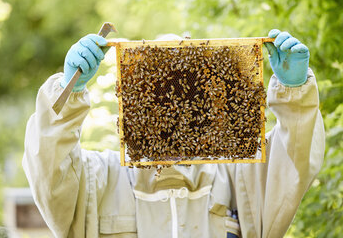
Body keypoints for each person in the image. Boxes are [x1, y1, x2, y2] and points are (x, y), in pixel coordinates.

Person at [23, 29, 325, 238]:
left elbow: (293, 164)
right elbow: (49, 172)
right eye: (160, 88)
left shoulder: (236, 178)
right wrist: (67, 92)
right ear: (133, 96)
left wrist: (294, 93)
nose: (174, 100)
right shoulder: (99, 178)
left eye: (188, 87)